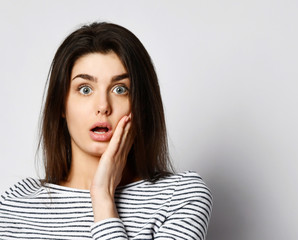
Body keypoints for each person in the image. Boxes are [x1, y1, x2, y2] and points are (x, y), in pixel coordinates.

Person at [0, 22, 212, 239]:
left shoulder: (179, 196)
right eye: (85, 89)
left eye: (120, 89)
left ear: (141, 105)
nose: (103, 106)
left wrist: (102, 198)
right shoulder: (15, 204)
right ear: (61, 105)